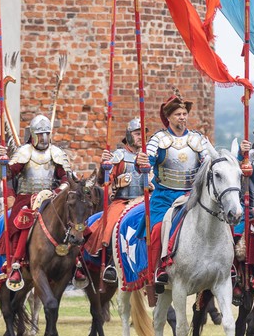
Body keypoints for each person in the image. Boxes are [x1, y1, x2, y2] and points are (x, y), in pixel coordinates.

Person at [137, 91, 216, 292]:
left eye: (184, 113)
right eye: (178, 114)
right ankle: (157, 269)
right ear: (169, 118)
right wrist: (142, 164)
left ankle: (223, 265)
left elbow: (209, 164)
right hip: (164, 196)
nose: (182, 117)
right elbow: (146, 165)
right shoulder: (158, 140)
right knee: (156, 230)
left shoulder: (197, 140)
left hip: (192, 196)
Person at [0, 114, 72, 291]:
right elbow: (6, 175)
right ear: (33, 135)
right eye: (40, 134)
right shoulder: (24, 152)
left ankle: (77, 262)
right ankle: (16, 263)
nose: (44, 139)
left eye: (47, 134)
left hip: (52, 198)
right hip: (26, 198)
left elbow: (65, 177)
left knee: (73, 222)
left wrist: (60, 190)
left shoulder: (56, 153)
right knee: (23, 221)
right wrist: (2, 162)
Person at [87, 117, 146, 284]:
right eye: (136, 133)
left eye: (142, 133)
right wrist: (105, 167)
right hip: (124, 201)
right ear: (128, 135)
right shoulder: (119, 156)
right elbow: (103, 181)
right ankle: (112, 263)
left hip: (144, 202)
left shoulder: (148, 155)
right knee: (112, 224)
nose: (140, 137)